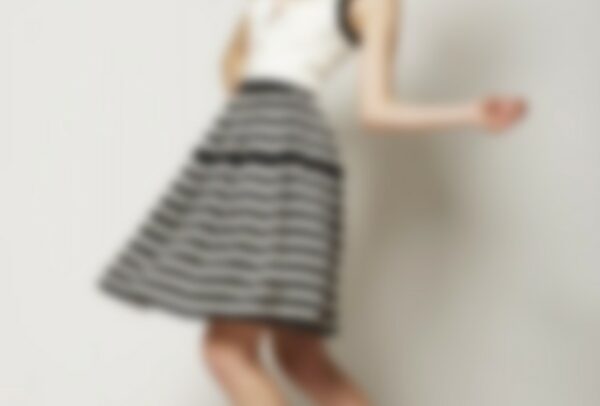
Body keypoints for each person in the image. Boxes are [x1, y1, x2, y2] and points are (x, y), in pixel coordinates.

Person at [99, 0, 526, 404]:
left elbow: (376, 111)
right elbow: (236, 66)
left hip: (288, 166)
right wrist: (249, 122)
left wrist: (471, 114)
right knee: (301, 358)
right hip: (243, 156)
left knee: (228, 352)